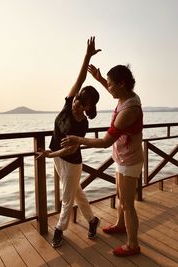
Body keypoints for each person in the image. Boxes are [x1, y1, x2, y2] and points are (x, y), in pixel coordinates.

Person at [61, 64, 143, 257]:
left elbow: (105, 142)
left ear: (122, 84)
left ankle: (133, 245)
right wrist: (99, 79)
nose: (108, 87)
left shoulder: (128, 111)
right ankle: (121, 225)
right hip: (122, 155)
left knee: (128, 204)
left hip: (130, 159)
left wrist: (78, 139)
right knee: (120, 195)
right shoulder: (128, 95)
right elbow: (114, 91)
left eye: (110, 84)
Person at [36, 37, 101, 248]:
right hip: (57, 157)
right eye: (77, 98)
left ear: (88, 108)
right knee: (76, 192)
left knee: (66, 197)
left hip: (71, 161)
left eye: (82, 103)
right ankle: (92, 221)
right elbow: (80, 78)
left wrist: (48, 154)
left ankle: (59, 230)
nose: (76, 103)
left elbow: (69, 149)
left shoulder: (82, 127)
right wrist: (87, 56)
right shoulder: (68, 103)